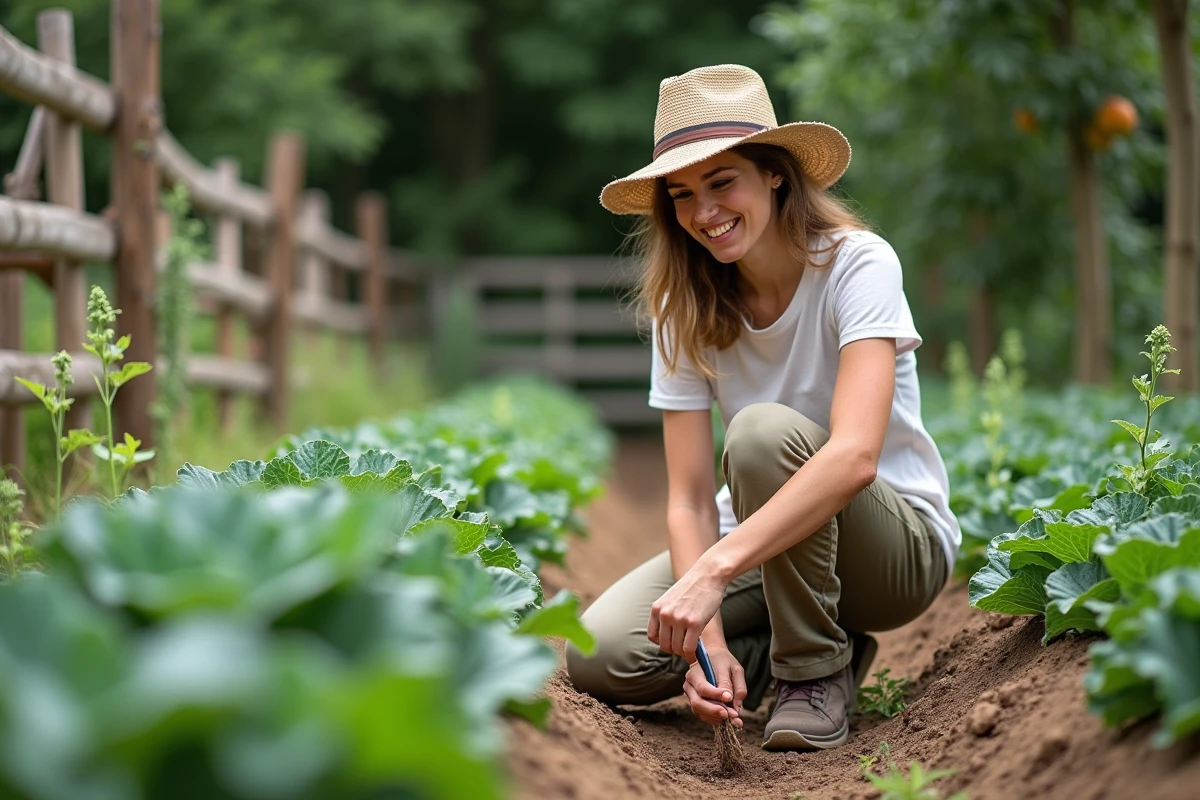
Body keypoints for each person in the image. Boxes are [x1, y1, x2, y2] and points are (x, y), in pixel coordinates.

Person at [565, 64, 960, 752]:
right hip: (763, 538)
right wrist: (705, 642)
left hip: (892, 550)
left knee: (758, 434)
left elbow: (856, 456)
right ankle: (767, 663)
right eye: (683, 195)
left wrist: (713, 575)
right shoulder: (682, 309)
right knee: (602, 656)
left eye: (722, 182)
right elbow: (688, 500)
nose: (705, 212)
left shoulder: (857, 265)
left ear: (774, 173)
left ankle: (814, 672)